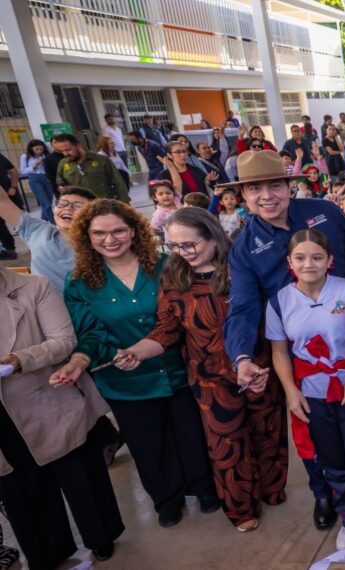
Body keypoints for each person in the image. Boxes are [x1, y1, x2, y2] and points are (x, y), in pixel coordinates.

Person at [113, 208, 287, 532]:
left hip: (259, 367)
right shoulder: (175, 276)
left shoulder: (241, 268)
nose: (184, 253)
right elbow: (167, 329)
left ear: (212, 236)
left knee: (267, 435)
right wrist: (137, 352)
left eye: (190, 244)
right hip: (210, 378)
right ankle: (241, 510)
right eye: (175, 246)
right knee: (226, 448)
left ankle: (272, 489)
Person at [53, 199, 218, 527]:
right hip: (124, 380)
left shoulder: (166, 265)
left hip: (178, 369)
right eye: (99, 233)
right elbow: (88, 332)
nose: (109, 239)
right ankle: (166, 499)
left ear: (134, 231)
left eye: (118, 231)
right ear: (86, 236)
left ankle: (203, 487)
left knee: (192, 434)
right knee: (147, 444)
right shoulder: (80, 283)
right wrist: (99, 355)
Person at [222, 149, 345, 531]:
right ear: (242, 196)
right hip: (299, 355)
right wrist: (242, 357)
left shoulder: (326, 213)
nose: (266, 195)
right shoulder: (245, 248)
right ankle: (323, 492)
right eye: (254, 188)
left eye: (274, 185)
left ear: (288, 186)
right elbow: (244, 308)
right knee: (311, 430)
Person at [267, 229, 345, 549]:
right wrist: (291, 392)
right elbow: (280, 351)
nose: (309, 264)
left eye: (317, 257)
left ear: (330, 261)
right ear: (289, 262)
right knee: (331, 456)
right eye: (301, 258)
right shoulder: (280, 301)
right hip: (312, 391)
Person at [0, 268, 124, 568]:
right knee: (22, 485)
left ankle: (101, 536)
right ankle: (50, 552)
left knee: (79, 472)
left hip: (48, 393)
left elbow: (63, 340)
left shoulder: (32, 286)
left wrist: (20, 359)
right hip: (3, 418)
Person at [0, 184, 93, 292]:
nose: (68, 208)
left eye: (77, 206)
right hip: (44, 306)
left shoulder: (102, 243)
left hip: (87, 307)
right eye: (62, 204)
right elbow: (2, 201)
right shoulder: (37, 230)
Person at [54, 134, 129, 202]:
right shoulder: (63, 164)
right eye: (62, 151)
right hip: (80, 208)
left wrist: (124, 202)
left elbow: (118, 182)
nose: (65, 154)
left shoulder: (102, 160)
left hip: (103, 205)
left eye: (68, 150)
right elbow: (60, 183)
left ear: (78, 145)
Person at [19, 139, 54, 222]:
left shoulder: (45, 155)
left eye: (41, 149)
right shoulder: (25, 156)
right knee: (46, 203)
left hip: (46, 178)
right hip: (35, 178)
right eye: (37, 149)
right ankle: (54, 223)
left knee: (47, 202)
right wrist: (34, 166)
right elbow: (23, 171)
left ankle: (43, 222)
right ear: (31, 148)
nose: (39, 151)